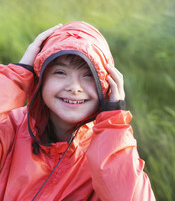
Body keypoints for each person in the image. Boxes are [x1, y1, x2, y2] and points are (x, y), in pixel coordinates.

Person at [0, 21, 156, 200]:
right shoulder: (11, 127)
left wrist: (114, 122)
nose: (75, 88)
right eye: (60, 72)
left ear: (106, 84)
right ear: (40, 78)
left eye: (88, 75)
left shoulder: (108, 148)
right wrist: (16, 75)